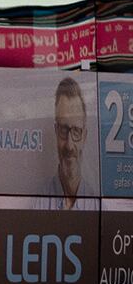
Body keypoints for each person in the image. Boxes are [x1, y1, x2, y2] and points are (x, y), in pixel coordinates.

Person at [31, 77, 89, 211]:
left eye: (76, 131)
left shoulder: (98, 204)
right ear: (56, 132)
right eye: (63, 129)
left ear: (84, 137)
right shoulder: (39, 204)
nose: (69, 145)